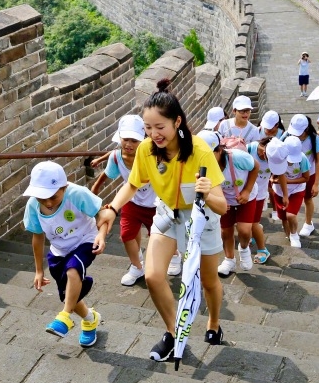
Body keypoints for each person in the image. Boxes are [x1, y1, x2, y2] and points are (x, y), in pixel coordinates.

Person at [96, 78, 228, 361]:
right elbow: (132, 184)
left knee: (208, 281)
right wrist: (112, 208)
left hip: (201, 221)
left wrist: (207, 190)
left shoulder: (200, 151)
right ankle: (173, 332)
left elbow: (222, 206)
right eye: (148, 128)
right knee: (154, 276)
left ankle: (214, 323)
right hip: (168, 217)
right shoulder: (146, 150)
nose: (154, 134)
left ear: (177, 122)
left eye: (160, 127)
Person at [23, 161, 108, 348]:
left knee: (73, 270)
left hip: (85, 240)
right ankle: (90, 319)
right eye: (41, 197)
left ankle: (64, 317)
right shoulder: (33, 206)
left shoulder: (77, 194)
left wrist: (101, 235)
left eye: (53, 197)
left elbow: (103, 214)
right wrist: (39, 270)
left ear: (64, 187)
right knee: (69, 294)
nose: (47, 202)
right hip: (58, 251)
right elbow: (37, 238)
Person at [91, 115, 154, 286]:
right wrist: (95, 190)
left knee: (157, 237)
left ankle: (175, 257)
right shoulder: (117, 157)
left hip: (155, 204)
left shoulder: (153, 156)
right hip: (131, 202)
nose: (129, 144)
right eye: (126, 139)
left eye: (134, 140)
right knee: (126, 235)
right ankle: (137, 265)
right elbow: (106, 174)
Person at [198, 130, 259, 277]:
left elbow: (255, 166)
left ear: (219, 150)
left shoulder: (237, 157)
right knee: (225, 231)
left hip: (245, 197)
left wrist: (247, 190)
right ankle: (229, 259)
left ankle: (244, 249)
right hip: (224, 202)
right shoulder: (200, 167)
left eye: (209, 154)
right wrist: (218, 201)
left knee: (244, 230)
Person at [284, 115, 319, 237]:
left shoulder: (314, 139)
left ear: (306, 129)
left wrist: (316, 183)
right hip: (290, 173)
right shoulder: (287, 136)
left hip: (308, 174)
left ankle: (308, 223)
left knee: (308, 198)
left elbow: (318, 161)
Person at [269, 137, 310, 247]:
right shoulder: (279, 157)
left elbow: (306, 178)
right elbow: (277, 174)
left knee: (291, 215)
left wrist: (290, 181)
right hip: (279, 190)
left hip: (297, 189)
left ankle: (294, 234)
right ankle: (288, 234)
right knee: (283, 217)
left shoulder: (303, 159)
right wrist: (273, 179)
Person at [247, 136, 274, 263]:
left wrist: (284, 195)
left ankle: (262, 250)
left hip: (260, 194)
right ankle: (249, 238)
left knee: (253, 223)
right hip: (245, 192)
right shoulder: (250, 148)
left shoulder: (275, 155)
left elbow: (281, 175)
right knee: (245, 223)